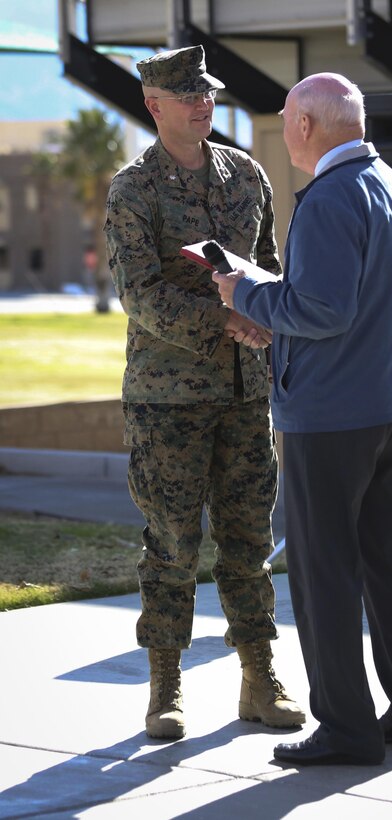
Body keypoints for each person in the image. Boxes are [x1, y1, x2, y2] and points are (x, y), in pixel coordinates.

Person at [213, 72, 392, 766]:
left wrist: (242, 290)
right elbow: (349, 302)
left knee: (323, 574)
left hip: (331, 415)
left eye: (286, 114)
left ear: (306, 125)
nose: (284, 126)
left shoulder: (327, 197)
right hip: (391, 404)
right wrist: (270, 301)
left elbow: (321, 309)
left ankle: (347, 729)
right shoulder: (389, 184)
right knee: (389, 562)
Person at [104, 45, 305, 740]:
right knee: (172, 542)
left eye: (207, 92)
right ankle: (165, 684)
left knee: (249, 539)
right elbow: (141, 296)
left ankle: (259, 675)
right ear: (153, 105)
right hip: (169, 399)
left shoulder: (246, 174)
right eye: (188, 95)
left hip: (245, 392)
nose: (203, 103)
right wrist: (225, 319)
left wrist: (266, 315)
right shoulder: (134, 190)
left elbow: (270, 266)